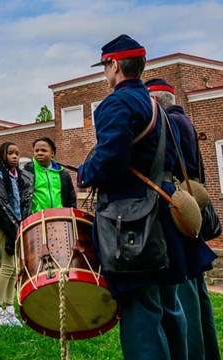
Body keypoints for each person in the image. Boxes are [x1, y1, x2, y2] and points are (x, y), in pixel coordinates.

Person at [77, 34, 216, 359]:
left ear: (113, 65)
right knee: (171, 310)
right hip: (166, 219)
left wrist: (85, 173)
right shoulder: (157, 107)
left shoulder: (117, 103)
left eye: (106, 67)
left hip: (135, 224)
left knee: (142, 316)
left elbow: (111, 160)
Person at [146, 78, 220, 359]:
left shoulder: (170, 123)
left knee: (184, 295)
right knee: (197, 296)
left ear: (156, 102)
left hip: (178, 211)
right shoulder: (183, 120)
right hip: (189, 209)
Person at [0, 142, 33, 327]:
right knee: (6, 267)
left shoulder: (19, 177)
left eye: (17, 153)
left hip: (17, 225)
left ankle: (9, 309)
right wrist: (13, 229)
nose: (14, 156)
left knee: (14, 269)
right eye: (10, 153)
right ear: (2, 155)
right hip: (2, 226)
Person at [23, 137, 76, 214]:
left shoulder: (63, 174)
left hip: (60, 217)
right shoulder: (27, 173)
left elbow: (71, 198)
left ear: (52, 153)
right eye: (36, 151)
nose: (39, 153)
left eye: (44, 150)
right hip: (36, 219)